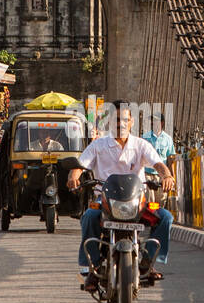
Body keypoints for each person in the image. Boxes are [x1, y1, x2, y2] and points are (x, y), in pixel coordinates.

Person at [67, 103, 175, 291]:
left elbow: (158, 163)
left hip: (136, 204)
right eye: (116, 120)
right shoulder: (98, 145)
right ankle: (92, 268)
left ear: (132, 121)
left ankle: (148, 261)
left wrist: (166, 175)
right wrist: (73, 177)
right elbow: (80, 164)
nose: (121, 124)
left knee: (165, 217)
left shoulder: (141, 145)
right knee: (89, 217)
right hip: (105, 202)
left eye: (125, 119)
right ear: (109, 122)